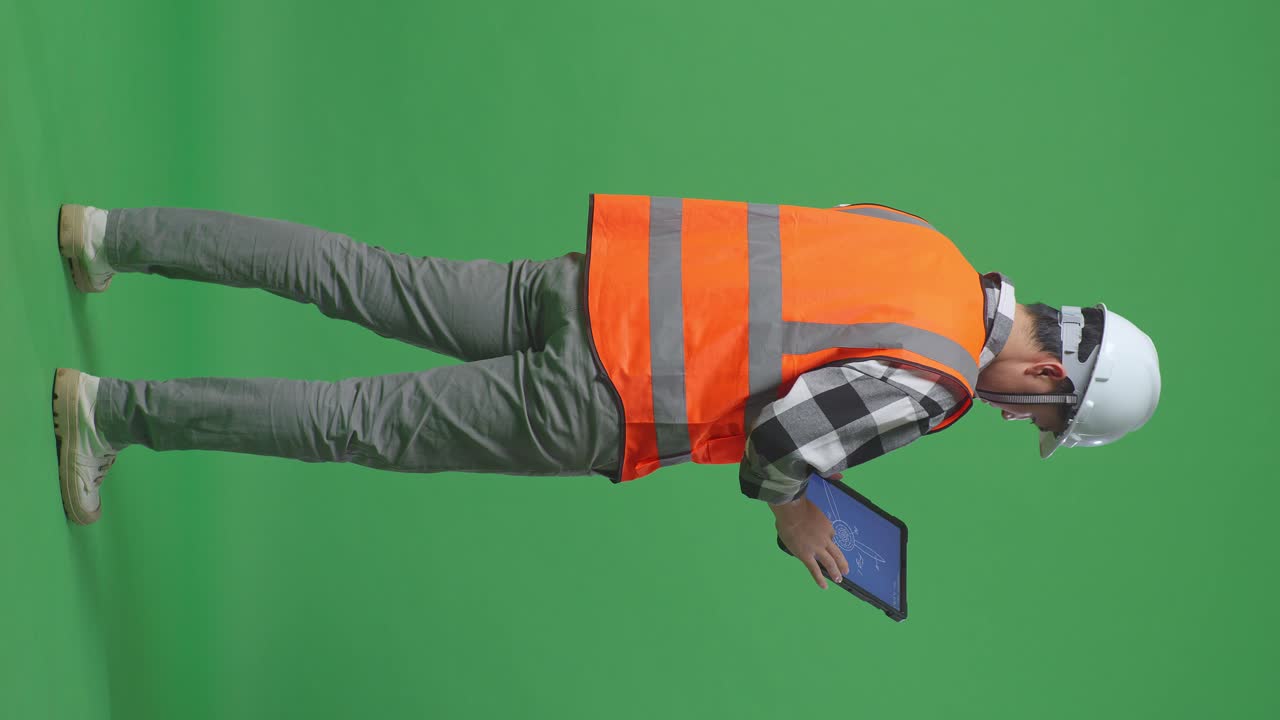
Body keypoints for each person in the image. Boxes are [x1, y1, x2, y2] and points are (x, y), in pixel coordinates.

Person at [51, 195, 1161, 589]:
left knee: (359, 273)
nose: (1014, 418)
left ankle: (109, 235)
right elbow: (780, 434)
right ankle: (109, 411)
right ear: (1048, 372)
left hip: (598, 282)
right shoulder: (931, 381)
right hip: (606, 394)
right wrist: (789, 510)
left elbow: (786, 273)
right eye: (1035, 413)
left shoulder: (926, 242)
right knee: (358, 423)